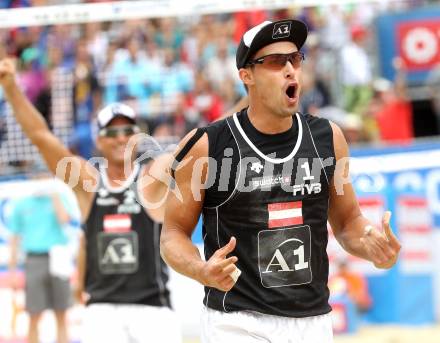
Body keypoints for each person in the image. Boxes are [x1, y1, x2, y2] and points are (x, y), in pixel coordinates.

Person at [160, 19, 401, 342]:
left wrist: (371, 245)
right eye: (275, 62)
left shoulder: (328, 137)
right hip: (237, 321)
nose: (290, 69)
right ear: (247, 76)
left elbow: (347, 222)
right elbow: (172, 234)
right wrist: (200, 270)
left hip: (312, 320)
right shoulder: (209, 145)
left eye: (295, 59)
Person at [0, 59, 181, 342]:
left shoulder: (152, 179)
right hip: (103, 311)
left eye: (127, 130)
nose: (120, 138)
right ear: (98, 139)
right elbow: (40, 136)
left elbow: (205, 141)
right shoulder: (88, 182)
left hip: (152, 309)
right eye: (111, 131)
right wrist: (11, 87)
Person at [7, 189, 75, 343]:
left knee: (62, 314)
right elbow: (14, 237)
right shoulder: (21, 203)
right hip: (34, 259)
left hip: (59, 257)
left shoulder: (60, 197)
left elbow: (64, 219)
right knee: (34, 315)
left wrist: (54, 193)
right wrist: (12, 271)